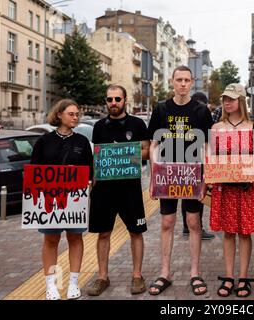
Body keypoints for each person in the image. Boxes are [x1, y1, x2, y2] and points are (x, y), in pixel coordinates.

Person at [147, 66, 213, 296]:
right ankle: (165, 272)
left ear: (192, 82)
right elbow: (154, 145)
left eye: (186, 80)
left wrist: (206, 178)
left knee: (194, 223)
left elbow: (206, 147)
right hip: (166, 175)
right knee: (167, 223)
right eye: (179, 80)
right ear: (172, 82)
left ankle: (195, 272)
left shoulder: (201, 111)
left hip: (193, 175)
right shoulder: (161, 109)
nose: (183, 84)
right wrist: (153, 176)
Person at [87, 84, 150, 296]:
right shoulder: (99, 126)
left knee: (136, 232)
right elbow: (97, 158)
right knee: (103, 233)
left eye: (117, 99)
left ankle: (137, 276)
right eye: (109, 99)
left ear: (125, 100)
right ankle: (102, 277)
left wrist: (123, 153)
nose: (113, 103)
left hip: (130, 188)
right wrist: (93, 184)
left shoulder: (137, 124)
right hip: (104, 189)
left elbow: (146, 151)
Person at [30, 99, 93, 300]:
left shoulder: (82, 142)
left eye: (77, 114)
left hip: (74, 199)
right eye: (71, 114)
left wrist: (80, 175)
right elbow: (34, 171)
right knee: (51, 239)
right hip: (50, 200)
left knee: (75, 238)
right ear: (59, 115)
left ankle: (73, 284)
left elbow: (89, 172)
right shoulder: (44, 141)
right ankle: (52, 285)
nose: (76, 117)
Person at [209, 83, 254, 298]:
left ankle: (243, 277)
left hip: (245, 187)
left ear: (241, 100)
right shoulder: (216, 128)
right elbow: (212, 157)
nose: (226, 102)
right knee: (228, 232)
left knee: (245, 232)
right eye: (224, 99)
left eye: (231, 99)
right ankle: (229, 276)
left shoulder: (253, 128)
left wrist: (252, 171)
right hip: (224, 187)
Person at [181, 91, 215, 240]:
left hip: (183, 163)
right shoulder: (202, 117)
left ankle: (186, 227)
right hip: (197, 163)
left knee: (185, 195)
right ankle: (196, 228)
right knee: (197, 196)